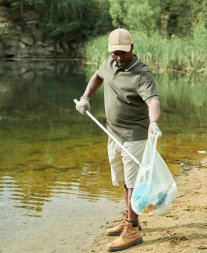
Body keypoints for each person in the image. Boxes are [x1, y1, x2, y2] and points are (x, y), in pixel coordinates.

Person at [75, 28, 162, 252]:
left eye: (122, 53)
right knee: (125, 182)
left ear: (131, 49)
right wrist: (85, 98)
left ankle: (132, 230)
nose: (118, 57)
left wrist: (153, 123)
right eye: (115, 53)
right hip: (112, 134)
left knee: (134, 185)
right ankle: (129, 219)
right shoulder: (109, 62)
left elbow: (152, 101)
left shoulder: (142, 74)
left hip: (134, 136)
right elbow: (97, 76)